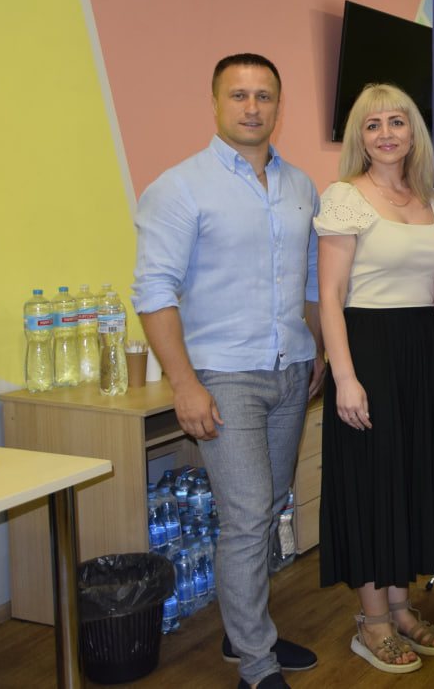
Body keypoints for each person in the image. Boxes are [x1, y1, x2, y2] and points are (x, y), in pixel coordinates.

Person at [133, 53, 323, 689]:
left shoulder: (301, 186)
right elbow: (153, 292)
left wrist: (318, 349)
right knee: (244, 518)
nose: (252, 107)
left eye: (264, 95)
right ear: (215, 103)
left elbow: (311, 278)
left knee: (268, 509)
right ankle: (257, 664)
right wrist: (185, 384)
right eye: (238, 95)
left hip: (291, 370)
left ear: (278, 106)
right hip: (224, 377)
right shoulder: (180, 187)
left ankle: (243, 631)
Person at [315, 84, 434, 674]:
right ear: (360, 136)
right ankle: (371, 621)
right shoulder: (345, 198)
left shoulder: (433, 202)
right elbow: (330, 296)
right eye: (372, 125)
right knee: (373, 483)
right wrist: (344, 376)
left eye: (396, 122)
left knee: (410, 479)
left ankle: (401, 609)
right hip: (367, 352)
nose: (385, 134)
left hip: (424, 355)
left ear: (413, 131)